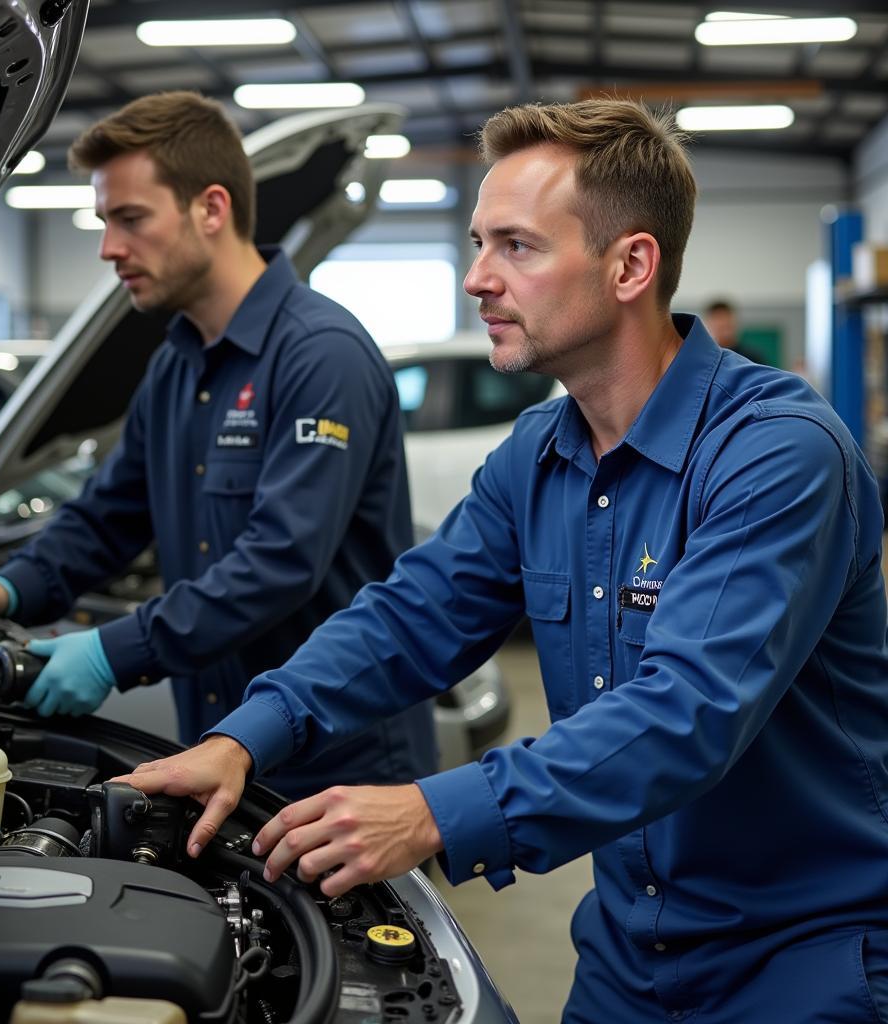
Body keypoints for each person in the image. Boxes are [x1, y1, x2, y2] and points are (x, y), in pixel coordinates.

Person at [113, 98, 888, 1022]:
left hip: (801, 959)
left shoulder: (776, 453)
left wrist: (432, 812)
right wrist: (245, 736)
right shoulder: (538, 453)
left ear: (631, 264)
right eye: (479, 243)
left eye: (515, 246)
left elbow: (687, 713)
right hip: (626, 953)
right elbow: (411, 616)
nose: (478, 277)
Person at [0, 90, 436, 801]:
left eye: (131, 219)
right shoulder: (176, 364)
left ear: (212, 209)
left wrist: (115, 650)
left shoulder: (321, 356)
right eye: (106, 221)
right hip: (215, 739)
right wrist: (19, 582)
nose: (108, 248)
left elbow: (280, 561)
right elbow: (109, 512)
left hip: (335, 762)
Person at [702, 298, 766, 362]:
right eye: (718, 319)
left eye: (727, 322)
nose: (723, 322)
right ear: (708, 323)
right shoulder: (705, 357)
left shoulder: (751, 357)